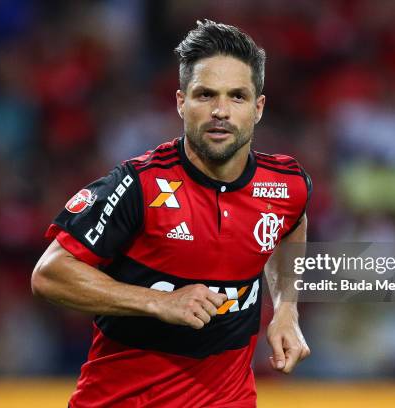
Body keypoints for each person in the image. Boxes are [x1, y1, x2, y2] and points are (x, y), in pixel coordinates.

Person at [32, 19, 312, 408]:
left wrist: (286, 308)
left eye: (237, 96)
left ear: (258, 107)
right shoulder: (138, 185)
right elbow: (49, 276)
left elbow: (292, 226)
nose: (220, 111)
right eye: (205, 95)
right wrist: (157, 301)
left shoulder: (286, 184)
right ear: (181, 102)